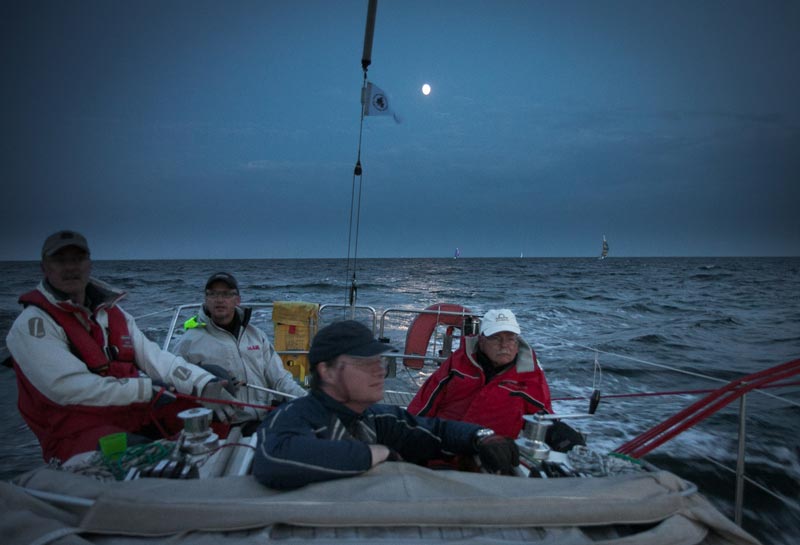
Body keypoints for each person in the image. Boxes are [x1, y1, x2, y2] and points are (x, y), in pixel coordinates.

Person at [5, 230, 238, 463]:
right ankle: (172, 470)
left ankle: (213, 464)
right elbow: (67, 388)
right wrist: (144, 390)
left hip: (133, 413)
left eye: (77, 259)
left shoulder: (114, 314)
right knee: (146, 455)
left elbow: (155, 358)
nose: (70, 267)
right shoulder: (31, 325)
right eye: (60, 260)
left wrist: (203, 383)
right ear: (44, 267)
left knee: (214, 386)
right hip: (76, 432)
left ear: (89, 264)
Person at [253, 320, 520, 490]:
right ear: (327, 371)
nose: (380, 371)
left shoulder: (377, 419)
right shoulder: (294, 416)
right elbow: (276, 459)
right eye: (365, 363)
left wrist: (482, 437)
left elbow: (436, 430)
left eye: (380, 362)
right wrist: (377, 452)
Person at [175, 272, 307, 432]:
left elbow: (280, 379)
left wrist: (307, 400)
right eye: (213, 294)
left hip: (266, 419)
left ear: (237, 300)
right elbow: (177, 386)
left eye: (226, 294)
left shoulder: (256, 335)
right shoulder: (189, 342)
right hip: (224, 426)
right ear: (206, 300)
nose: (219, 299)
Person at [408, 308, 557, 440]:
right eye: (496, 337)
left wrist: (559, 434)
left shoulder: (529, 374)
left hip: (494, 454)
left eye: (510, 338)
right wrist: (407, 433)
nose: (504, 344)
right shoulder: (458, 362)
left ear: (517, 342)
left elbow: (543, 416)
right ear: (481, 340)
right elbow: (425, 403)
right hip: (445, 445)